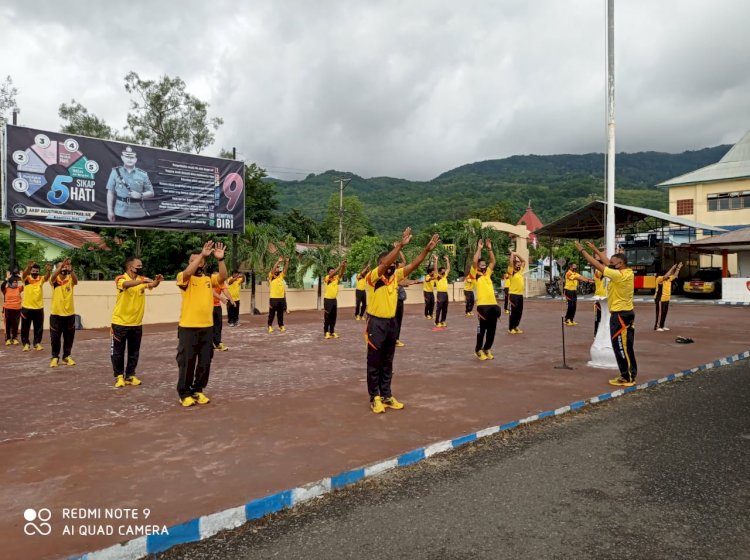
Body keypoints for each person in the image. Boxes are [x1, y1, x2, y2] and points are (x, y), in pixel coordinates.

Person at [366, 228, 439, 413]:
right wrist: (400, 245)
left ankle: (387, 395)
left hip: (391, 324)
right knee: (374, 362)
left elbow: (414, 264)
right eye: (389, 264)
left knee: (388, 362)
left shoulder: (395, 277)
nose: (392, 267)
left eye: (394, 265)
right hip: (376, 324)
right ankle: (375, 397)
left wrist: (427, 250)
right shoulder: (373, 278)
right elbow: (385, 264)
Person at [576, 241, 637, 387]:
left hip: (621, 315)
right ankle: (626, 375)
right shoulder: (626, 271)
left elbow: (600, 266)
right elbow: (607, 263)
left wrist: (583, 251)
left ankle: (628, 376)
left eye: (613, 262)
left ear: (620, 263)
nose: (610, 264)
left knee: (622, 347)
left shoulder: (620, 275)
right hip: (623, 314)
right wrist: (595, 249)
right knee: (623, 346)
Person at [175, 241, 228, 407]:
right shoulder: (183, 277)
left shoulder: (208, 279)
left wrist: (220, 260)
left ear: (204, 263)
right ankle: (184, 393)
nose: (195, 262)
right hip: (188, 327)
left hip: (207, 327)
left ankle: (198, 390)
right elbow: (187, 273)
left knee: (205, 361)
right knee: (187, 361)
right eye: (192, 260)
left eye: (198, 259)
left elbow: (223, 277)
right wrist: (201, 256)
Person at [111, 257, 163, 388]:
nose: (141, 267)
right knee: (118, 352)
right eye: (138, 265)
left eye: (141, 265)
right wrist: (142, 281)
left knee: (134, 351)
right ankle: (119, 376)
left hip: (136, 323)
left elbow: (152, 285)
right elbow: (125, 285)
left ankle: (130, 375)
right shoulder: (120, 278)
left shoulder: (141, 280)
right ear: (130, 267)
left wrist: (157, 281)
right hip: (120, 323)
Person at [106, 146, 155, 222]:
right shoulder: (115, 172)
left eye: (132, 157)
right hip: (120, 212)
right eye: (127, 157)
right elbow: (110, 192)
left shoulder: (143, 174)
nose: (129, 159)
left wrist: (140, 195)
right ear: (122, 158)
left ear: (136, 159)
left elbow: (151, 193)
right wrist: (110, 211)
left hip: (138, 212)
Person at [473, 239, 500, 360]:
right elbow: (474, 261)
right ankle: (478, 350)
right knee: (482, 330)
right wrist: (479, 248)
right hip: (483, 307)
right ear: (478, 266)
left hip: (493, 306)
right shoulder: (475, 274)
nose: (484, 264)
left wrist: (489, 248)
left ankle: (487, 349)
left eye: (485, 263)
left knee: (492, 330)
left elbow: (493, 261)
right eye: (482, 263)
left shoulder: (487, 274)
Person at [49, 258, 78, 367]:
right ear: (56, 269)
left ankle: (66, 356)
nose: (63, 268)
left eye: (65, 266)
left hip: (69, 314)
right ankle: (55, 357)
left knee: (69, 337)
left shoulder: (70, 279)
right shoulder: (54, 281)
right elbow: (52, 277)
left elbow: (76, 281)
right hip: (56, 315)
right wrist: (61, 267)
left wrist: (71, 270)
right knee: (55, 338)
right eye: (60, 267)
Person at [20, 261, 49, 351]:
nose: (35, 272)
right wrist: (28, 267)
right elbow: (24, 275)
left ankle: (37, 343)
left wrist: (48, 271)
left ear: (39, 272)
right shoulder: (27, 279)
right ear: (30, 271)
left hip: (39, 308)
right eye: (33, 271)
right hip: (26, 308)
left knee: (38, 328)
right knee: (25, 328)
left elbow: (47, 277)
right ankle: (25, 344)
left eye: (37, 271)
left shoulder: (41, 279)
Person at [655, 262, 682, 332]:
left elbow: (675, 276)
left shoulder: (668, 279)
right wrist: (672, 268)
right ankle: (657, 327)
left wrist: (678, 268)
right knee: (660, 314)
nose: (668, 273)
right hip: (660, 299)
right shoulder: (659, 278)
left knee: (664, 313)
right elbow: (666, 276)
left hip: (667, 298)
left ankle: (662, 325)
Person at [323, 259, 347, 339]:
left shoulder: (336, 278)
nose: (333, 272)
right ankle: (326, 332)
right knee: (327, 317)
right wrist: (340, 265)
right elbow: (335, 273)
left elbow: (341, 273)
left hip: (334, 300)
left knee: (334, 317)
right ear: (328, 273)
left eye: (333, 271)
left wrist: (343, 266)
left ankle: (332, 332)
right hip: (327, 300)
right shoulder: (327, 278)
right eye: (331, 271)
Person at [267, 256, 289, 333]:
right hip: (273, 298)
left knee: (280, 314)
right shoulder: (271, 276)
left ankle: (281, 326)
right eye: (277, 267)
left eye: (278, 268)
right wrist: (278, 261)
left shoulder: (281, 276)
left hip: (281, 298)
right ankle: (269, 326)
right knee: (272, 314)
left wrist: (286, 262)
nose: (277, 268)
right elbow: (273, 270)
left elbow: (285, 270)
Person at [507, 249, 526, 334]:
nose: (519, 265)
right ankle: (511, 328)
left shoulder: (520, 271)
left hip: (520, 295)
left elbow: (524, 261)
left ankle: (516, 326)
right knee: (513, 312)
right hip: (513, 295)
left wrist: (517, 254)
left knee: (519, 312)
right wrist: (512, 254)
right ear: (514, 265)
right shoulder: (511, 272)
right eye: (517, 264)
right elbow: (511, 262)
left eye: (519, 264)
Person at [2, 271, 23, 346]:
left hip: (17, 309)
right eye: (14, 282)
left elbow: (26, 285)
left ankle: (14, 338)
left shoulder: (19, 288)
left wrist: (22, 277)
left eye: (16, 282)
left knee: (15, 324)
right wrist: (6, 279)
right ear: (10, 283)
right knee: (8, 324)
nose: (15, 283)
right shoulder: (6, 289)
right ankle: (8, 339)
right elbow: (2, 286)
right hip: (8, 309)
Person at [212, 277, 234, 351]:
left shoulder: (221, 281)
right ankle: (208, 343)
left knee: (218, 325)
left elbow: (226, 291)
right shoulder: (209, 279)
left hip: (217, 306)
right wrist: (221, 298)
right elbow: (211, 292)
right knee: (208, 326)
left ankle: (218, 343)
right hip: (207, 306)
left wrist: (231, 300)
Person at [433, 255, 451, 328]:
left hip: (445, 294)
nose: (444, 271)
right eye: (443, 270)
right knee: (439, 308)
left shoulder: (445, 276)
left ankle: (443, 321)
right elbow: (435, 269)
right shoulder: (437, 277)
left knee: (445, 309)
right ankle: (437, 322)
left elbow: (449, 268)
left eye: (444, 270)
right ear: (440, 272)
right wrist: (436, 260)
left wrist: (447, 260)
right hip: (440, 294)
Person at [593, 268, 607, 336]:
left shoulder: (607, 279)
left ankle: (604, 333)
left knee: (606, 317)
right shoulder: (597, 275)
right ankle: (596, 334)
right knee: (598, 318)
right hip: (599, 299)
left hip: (607, 299)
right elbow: (600, 271)